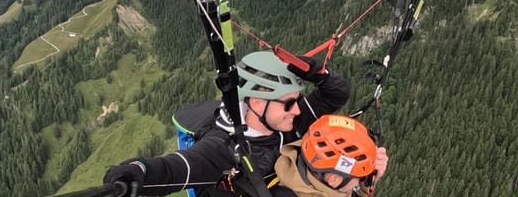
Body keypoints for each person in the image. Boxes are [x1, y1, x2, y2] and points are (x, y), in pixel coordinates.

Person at [103, 51, 350, 196]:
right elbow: (176, 168)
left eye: (297, 100)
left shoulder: (288, 119)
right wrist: (138, 171)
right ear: (256, 102)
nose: (296, 109)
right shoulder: (222, 147)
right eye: (288, 103)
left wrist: (316, 73)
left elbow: (336, 94)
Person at [270, 114, 388, 197]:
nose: (360, 182)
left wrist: (370, 181)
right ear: (334, 180)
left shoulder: (301, 176)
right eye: (361, 178)